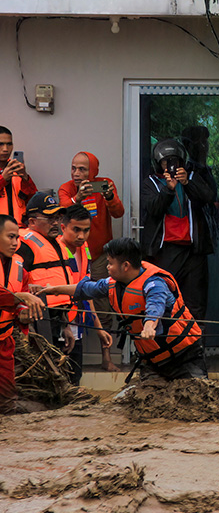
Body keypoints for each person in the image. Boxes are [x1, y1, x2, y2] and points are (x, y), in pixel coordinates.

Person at [35, 237, 207, 381]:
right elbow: (85, 289)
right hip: (153, 361)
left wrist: (149, 325)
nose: (107, 267)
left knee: (200, 401)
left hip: (185, 356)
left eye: (110, 263)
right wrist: (53, 289)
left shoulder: (155, 283)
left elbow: (156, 305)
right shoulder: (112, 284)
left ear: (125, 265)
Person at [59, 152, 124, 371]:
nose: (77, 174)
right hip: (72, 255)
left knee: (104, 306)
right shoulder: (66, 188)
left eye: (82, 169)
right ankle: (69, 361)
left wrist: (109, 197)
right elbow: (63, 212)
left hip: (100, 258)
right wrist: (78, 198)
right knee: (69, 303)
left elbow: (119, 212)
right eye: (74, 168)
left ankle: (106, 358)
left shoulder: (104, 185)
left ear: (93, 171)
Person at [141, 138, 216, 321]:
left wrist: (187, 184)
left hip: (194, 252)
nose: (171, 166)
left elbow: (208, 197)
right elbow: (154, 209)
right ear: (158, 163)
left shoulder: (191, 178)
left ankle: (196, 346)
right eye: (166, 161)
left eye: (175, 161)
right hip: (165, 251)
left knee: (195, 304)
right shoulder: (150, 183)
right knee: (165, 300)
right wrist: (169, 189)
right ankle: (168, 346)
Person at [17, 192, 80, 377]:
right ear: (32, 221)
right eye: (49, 218)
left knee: (56, 365)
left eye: (57, 217)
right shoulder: (24, 245)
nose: (55, 223)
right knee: (39, 368)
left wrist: (65, 325)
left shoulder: (59, 245)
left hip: (55, 317)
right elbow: (17, 284)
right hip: (36, 318)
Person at [59, 204, 111, 383]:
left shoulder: (84, 249)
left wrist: (98, 328)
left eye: (86, 230)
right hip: (57, 326)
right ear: (63, 227)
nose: (81, 236)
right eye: (76, 230)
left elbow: (86, 291)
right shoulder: (55, 251)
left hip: (77, 325)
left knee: (75, 377)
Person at [0, 214, 44, 407]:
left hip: (4, 340)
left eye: (17, 237)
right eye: (10, 237)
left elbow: (23, 298)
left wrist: (24, 313)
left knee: (9, 401)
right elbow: (21, 295)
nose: (15, 242)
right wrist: (22, 298)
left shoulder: (20, 268)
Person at [0, 126, 38, 226]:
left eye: (9, 144)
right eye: (1, 144)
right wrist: (3, 179)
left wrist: (25, 178)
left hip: (19, 229)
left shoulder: (16, 169)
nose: (5, 149)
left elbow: (33, 200)